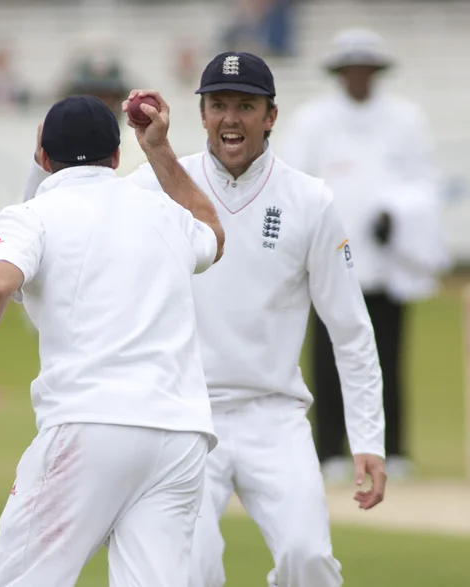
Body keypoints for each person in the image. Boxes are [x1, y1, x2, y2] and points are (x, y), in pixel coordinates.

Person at [23, 52, 387, 587]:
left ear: (271, 116)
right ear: (202, 113)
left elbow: (351, 329)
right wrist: (41, 158)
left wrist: (369, 441)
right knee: (193, 569)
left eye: (246, 105)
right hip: (187, 415)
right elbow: (57, 219)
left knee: (306, 559)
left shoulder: (310, 200)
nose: (231, 118)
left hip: (275, 416)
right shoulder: (156, 184)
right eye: (218, 105)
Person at [0, 93, 226, 587]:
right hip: (179, 434)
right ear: (116, 157)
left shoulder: (33, 216)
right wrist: (158, 151)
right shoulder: (164, 212)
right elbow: (214, 234)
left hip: (89, 425)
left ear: (43, 156)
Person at [280, 29, 449, 483]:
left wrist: (399, 214)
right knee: (329, 358)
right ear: (340, 73)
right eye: (351, 68)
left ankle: (393, 450)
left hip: (388, 262)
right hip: (330, 261)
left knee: (388, 357)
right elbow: (296, 183)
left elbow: (423, 183)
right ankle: (329, 450)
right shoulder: (314, 120)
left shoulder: (405, 119)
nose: (358, 77)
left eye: (365, 68)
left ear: (375, 72)